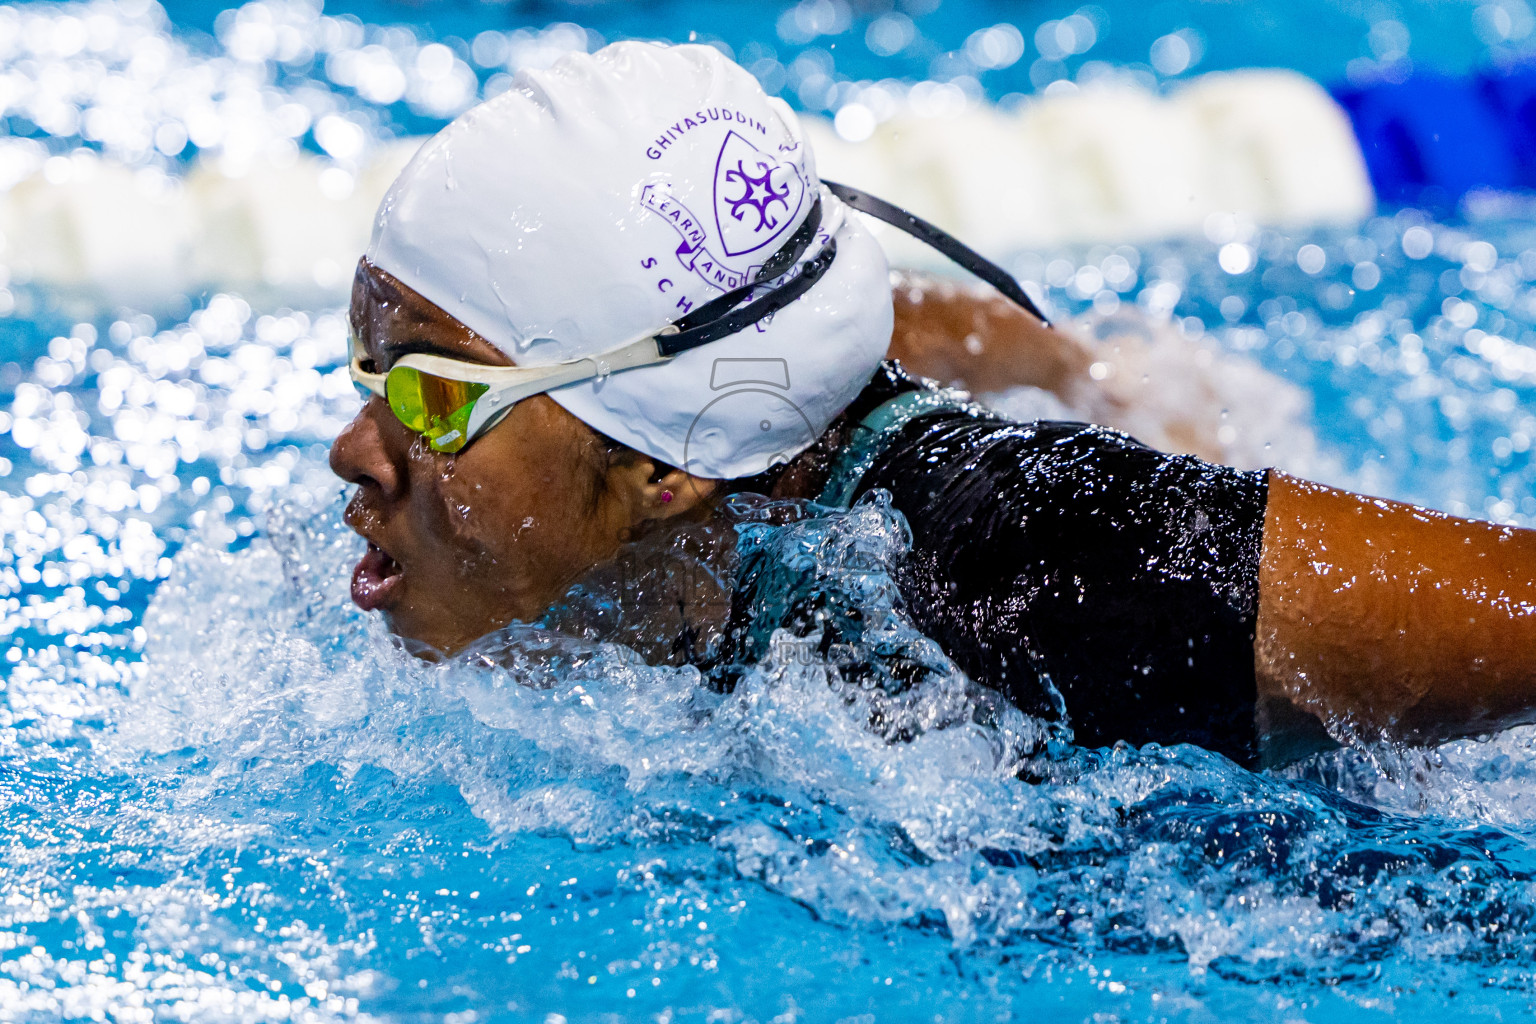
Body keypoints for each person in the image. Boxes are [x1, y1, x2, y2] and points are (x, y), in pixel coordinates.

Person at [329, 41, 1536, 769]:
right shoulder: (612, 454)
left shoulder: (1044, 563)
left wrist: (1116, 411)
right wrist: (1084, 370)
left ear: (669, 464)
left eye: (435, 395)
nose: (351, 452)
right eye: (367, 368)